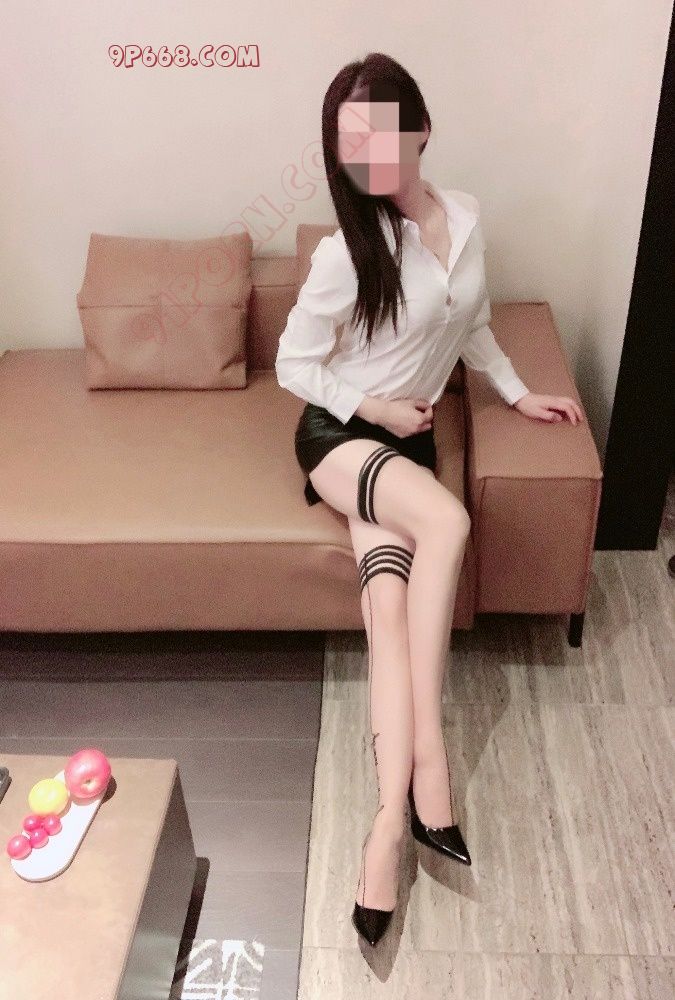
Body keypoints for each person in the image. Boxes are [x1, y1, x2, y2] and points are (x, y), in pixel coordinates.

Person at [275, 52, 584, 948]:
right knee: (447, 519)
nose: (364, 156)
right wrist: (370, 407)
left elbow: (471, 324)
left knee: (386, 606)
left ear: (419, 129)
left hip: (404, 450)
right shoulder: (346, 252)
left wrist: (517, 392)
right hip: (340, 440)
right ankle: (430, 764)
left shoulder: (467, 220)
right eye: (347, 143)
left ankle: (384, 826)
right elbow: (295, 363)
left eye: (377, 134)